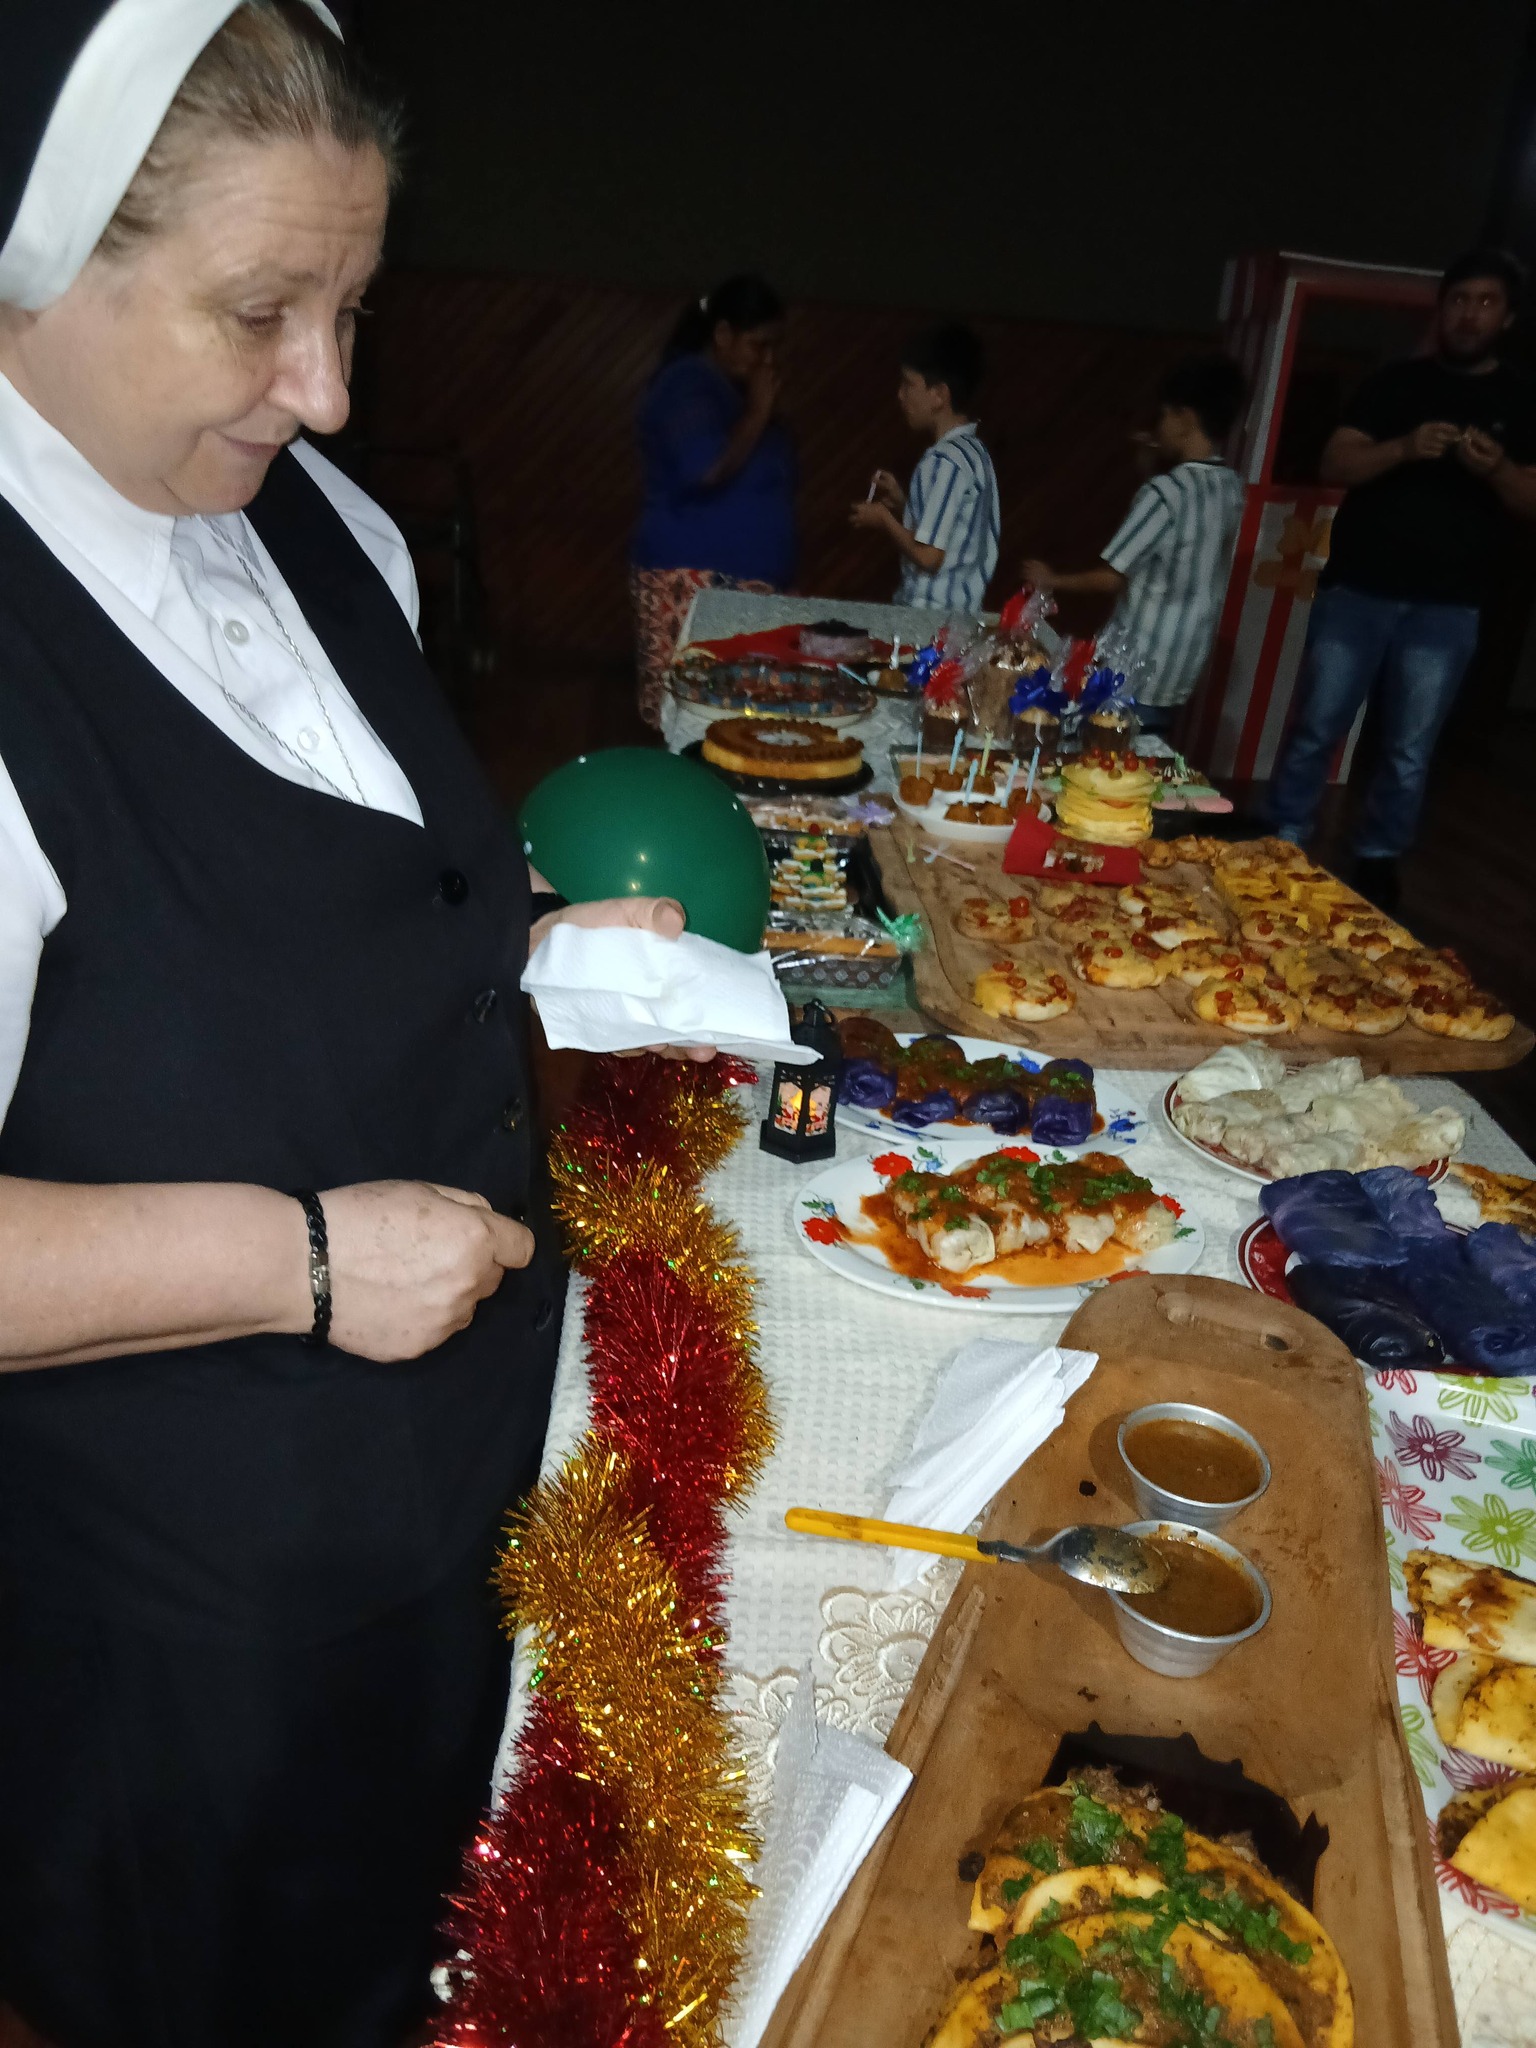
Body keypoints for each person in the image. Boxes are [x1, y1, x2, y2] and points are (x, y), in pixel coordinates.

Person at [0, 7, 702, 2045]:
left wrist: (530, 942)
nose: (322, 391)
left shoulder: (328, 525)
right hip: (184, 1627)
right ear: (43, 264)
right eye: (260, 311)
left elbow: (321, 909)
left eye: (355, 307)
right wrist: (301, 1262)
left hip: (434, 1513)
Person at [1265, 247, 1536, 903]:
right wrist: (1406, 447)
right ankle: (1282, 839)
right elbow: (1335, 459)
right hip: (1357, 589)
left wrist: (1495, 469)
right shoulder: (1395, 382)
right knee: (1316, 725)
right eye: (1459, 299)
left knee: (1410, 748)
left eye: (1485, 302)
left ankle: (1379, 857)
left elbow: (1530, 499)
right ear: (1442, 308)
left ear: (1508, 317)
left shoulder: (1523, 398)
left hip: (1448, 606)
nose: (1469, 314)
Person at [1021, 355, 1247, 735]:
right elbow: (1177, 540)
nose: (1159, 425)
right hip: (1182, 668)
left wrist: (1051, 578)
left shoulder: (1164, 493)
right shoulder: (1231, 487)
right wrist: (1151, 467)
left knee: (1103, 762)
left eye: (1164, 415)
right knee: (1141, 763)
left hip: (1135, 668)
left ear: (1186, 418)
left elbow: (1111, 577)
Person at [629, 273, 796, 726]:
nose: (767, 359)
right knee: (689, 717)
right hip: (693, 583)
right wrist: (761, 410)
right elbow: (706, 468)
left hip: (737, 582)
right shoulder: (687, 383)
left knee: (735, 719)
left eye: (773, 347)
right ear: (722, 335)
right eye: (758, 345)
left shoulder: (731, 393)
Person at [849, 323, 1000, 612]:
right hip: (960, 616)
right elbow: (951, 530)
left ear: (939, 395)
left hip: (930, 619)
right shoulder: (974, 453)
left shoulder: (944, 460)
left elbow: (930, 556)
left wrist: (884, 520)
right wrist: (904, 505)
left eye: (908, 384)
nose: (900, 395)